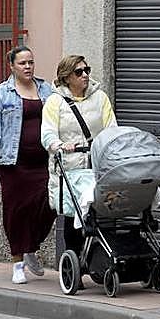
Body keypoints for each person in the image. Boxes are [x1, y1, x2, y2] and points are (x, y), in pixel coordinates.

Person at [0, 46, 58, 284]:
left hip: (44, 161)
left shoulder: (46, 90)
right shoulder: (1, 94)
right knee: (16, 211)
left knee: (51, 204)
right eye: (22, 63)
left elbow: (60, 118)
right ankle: (18, 263)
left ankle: (32, 246)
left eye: (31, 62)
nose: (28, 67)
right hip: (14, 164)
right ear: (11, 66)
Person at [41, 54, 118, 256]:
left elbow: (111, 128)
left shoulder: (100, 98)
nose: (85, 75)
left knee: (102, 209)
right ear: (67, 77)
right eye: (79, 72)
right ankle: (74, 256)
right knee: (73, 214)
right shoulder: (55, 102)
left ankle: (101, 255)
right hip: (70, 166)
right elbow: (47, 133)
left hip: (96, 165)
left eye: (87, 70)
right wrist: (59, 145)